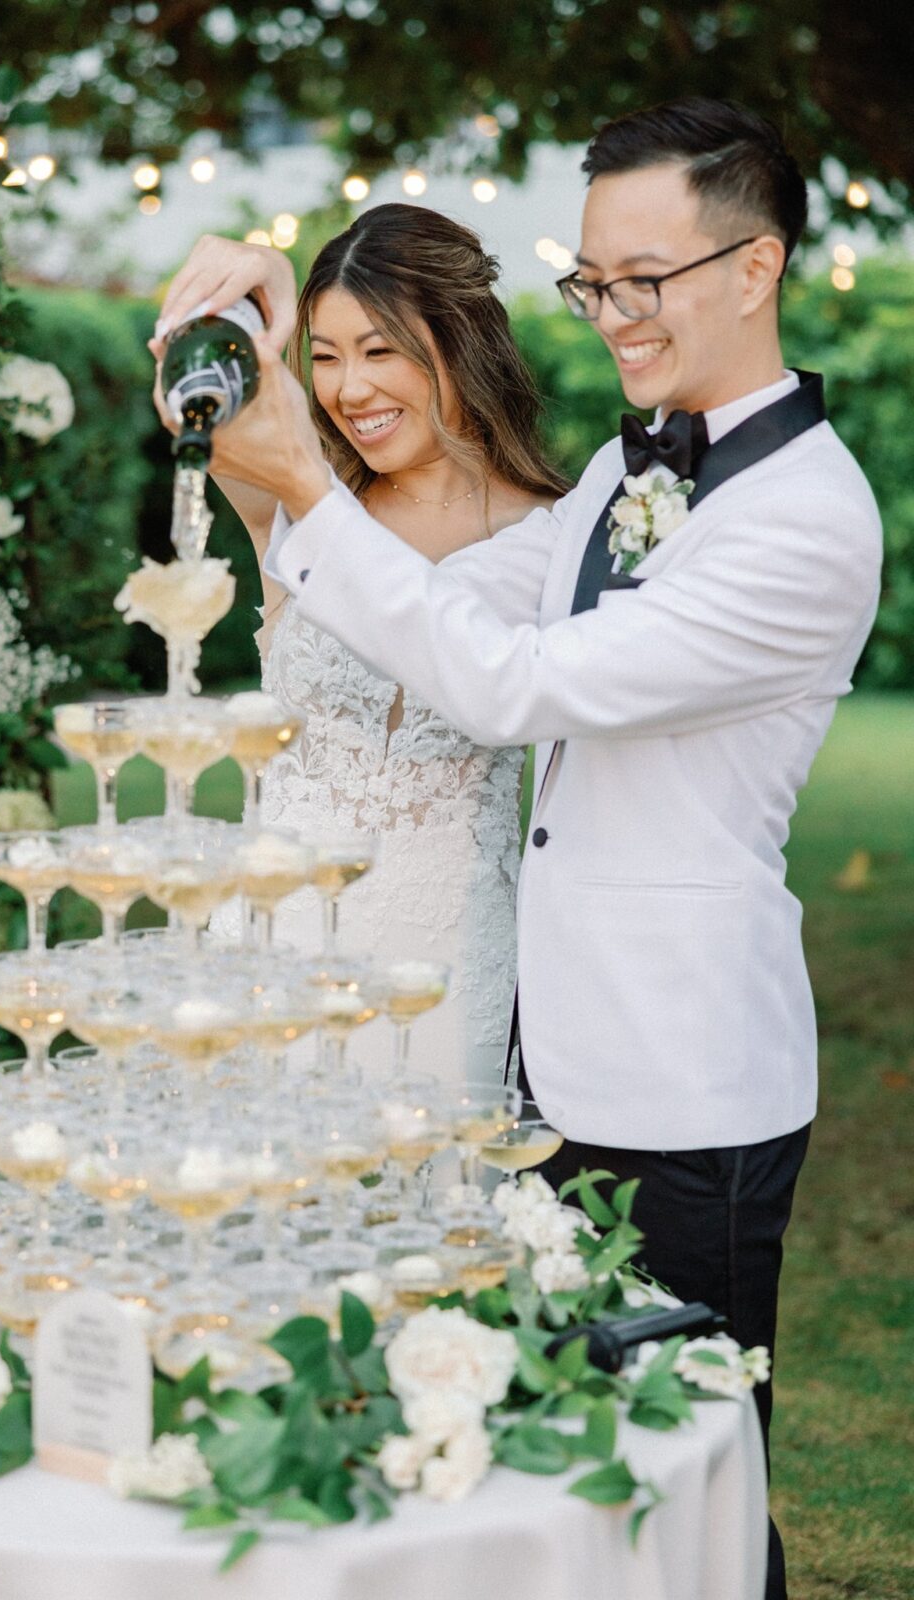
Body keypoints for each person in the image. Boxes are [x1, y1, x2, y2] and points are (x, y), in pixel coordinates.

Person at [160, 99, 884, 1600]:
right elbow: (463, 595)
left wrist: (301, 478)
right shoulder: (635, 471)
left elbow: (515, 685)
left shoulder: (804, 520)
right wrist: (274, 349)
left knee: (698, 1474)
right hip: (541, 1048)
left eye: (648, 279)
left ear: (758, 268)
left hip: (687, 1081)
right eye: (594, 281)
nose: (615, 314)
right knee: (572, 1467)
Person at [153, 205, 567, 1082]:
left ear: (464, 344)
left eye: (380, 351)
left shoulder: (560, 541)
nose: (349, 391)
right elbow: (189, 391)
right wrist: (255, 282)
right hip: (263, 965)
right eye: (329, 358)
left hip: (440, 982)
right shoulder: (295, 501)